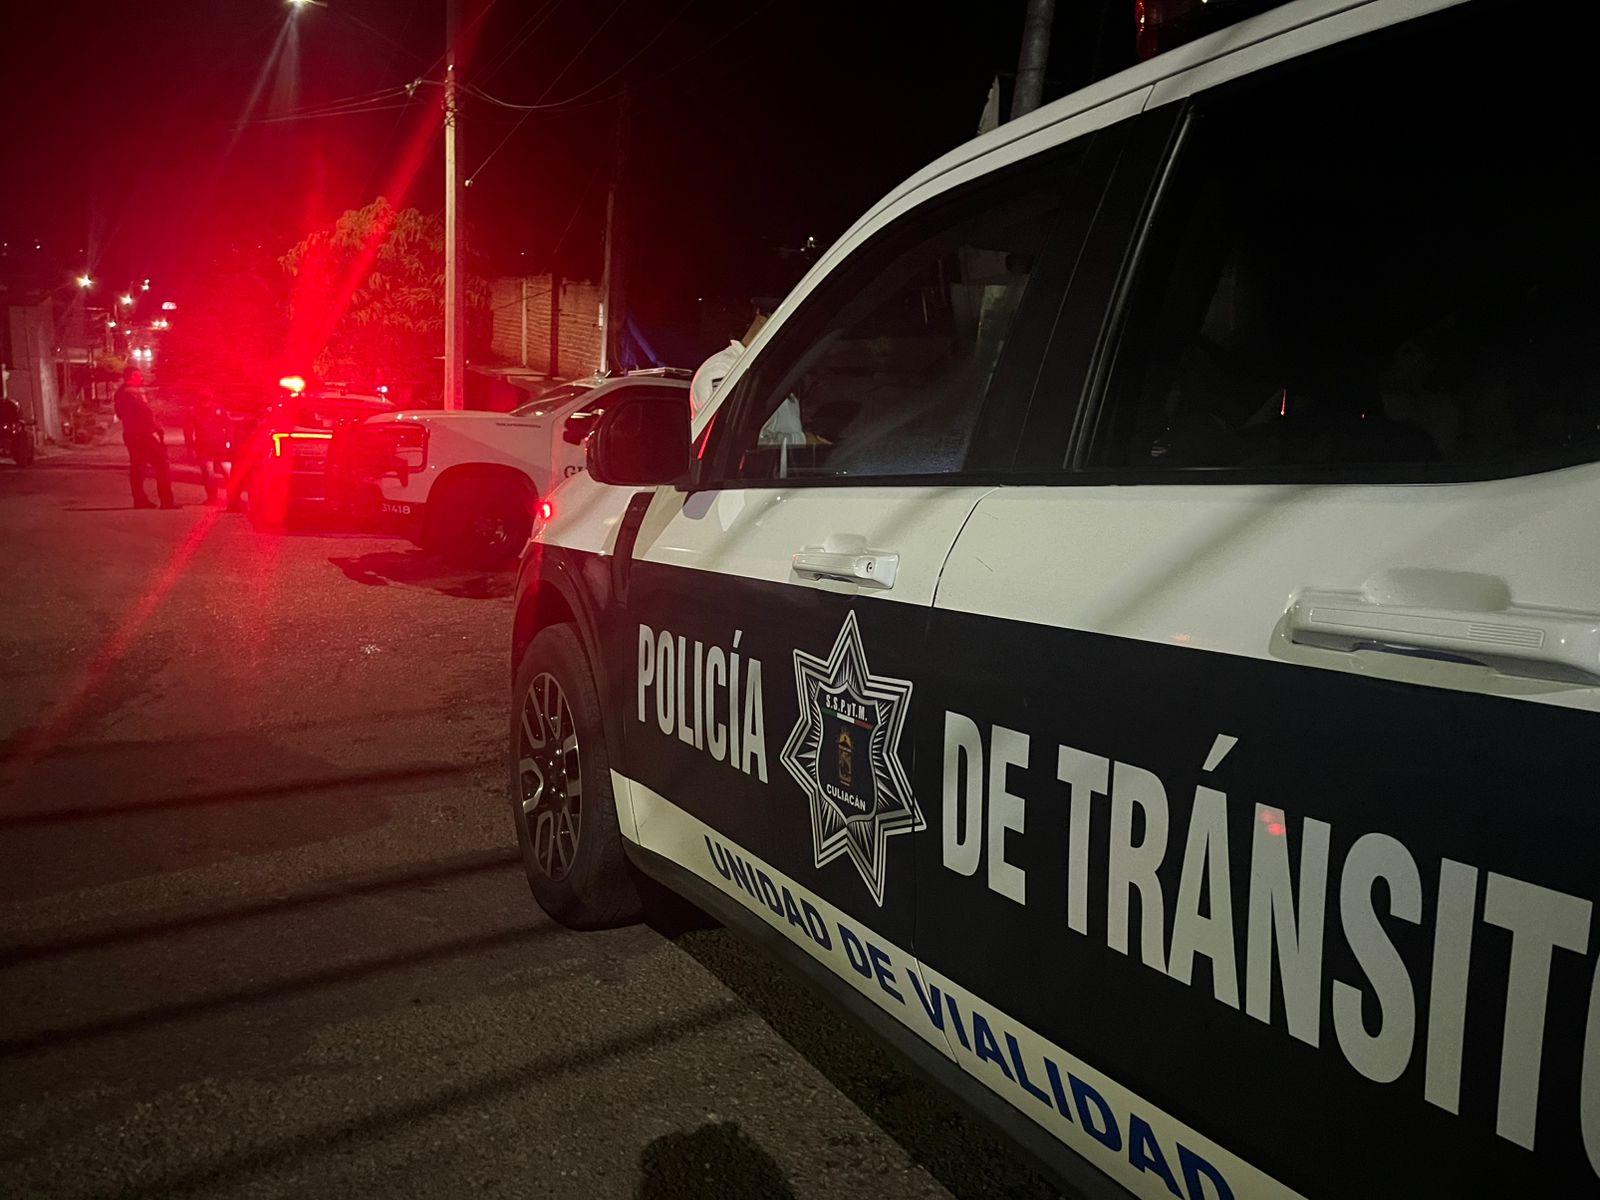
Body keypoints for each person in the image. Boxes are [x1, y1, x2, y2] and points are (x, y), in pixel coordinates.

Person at [113, 367, 178, 509]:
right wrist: (157, 427)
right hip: (143, 434)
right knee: (162, 464)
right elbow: (146, 412)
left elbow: (119, 413)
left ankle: (139, 499)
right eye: (138, 376)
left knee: (137, 466)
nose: (141, 378)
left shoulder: (120, 393)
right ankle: (166, 500)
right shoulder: (134, 393)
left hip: (130, 433)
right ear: (131, 376)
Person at [191, 392, 234, 506]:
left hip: (210, 444)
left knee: (213, 471)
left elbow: (228, 425)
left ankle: (222, 497)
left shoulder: (196, 411)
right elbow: (228, 425)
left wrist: (228, 440)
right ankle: (228, 497)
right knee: (215, 471)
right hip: (209, 444)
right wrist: (228, 440)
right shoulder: (198, 411)